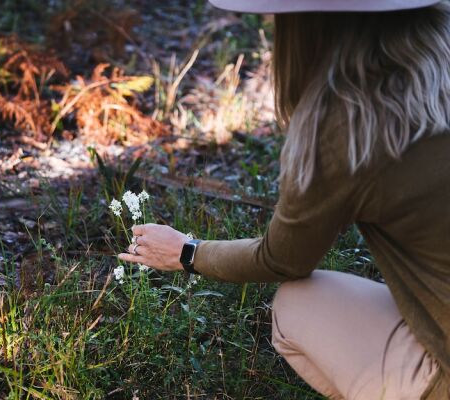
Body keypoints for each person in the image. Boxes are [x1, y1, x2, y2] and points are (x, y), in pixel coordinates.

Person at [118, 1, 450, 399]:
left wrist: (187, 252)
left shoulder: (348, 122)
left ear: (307, 24)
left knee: (298, 305)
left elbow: (282, 259)